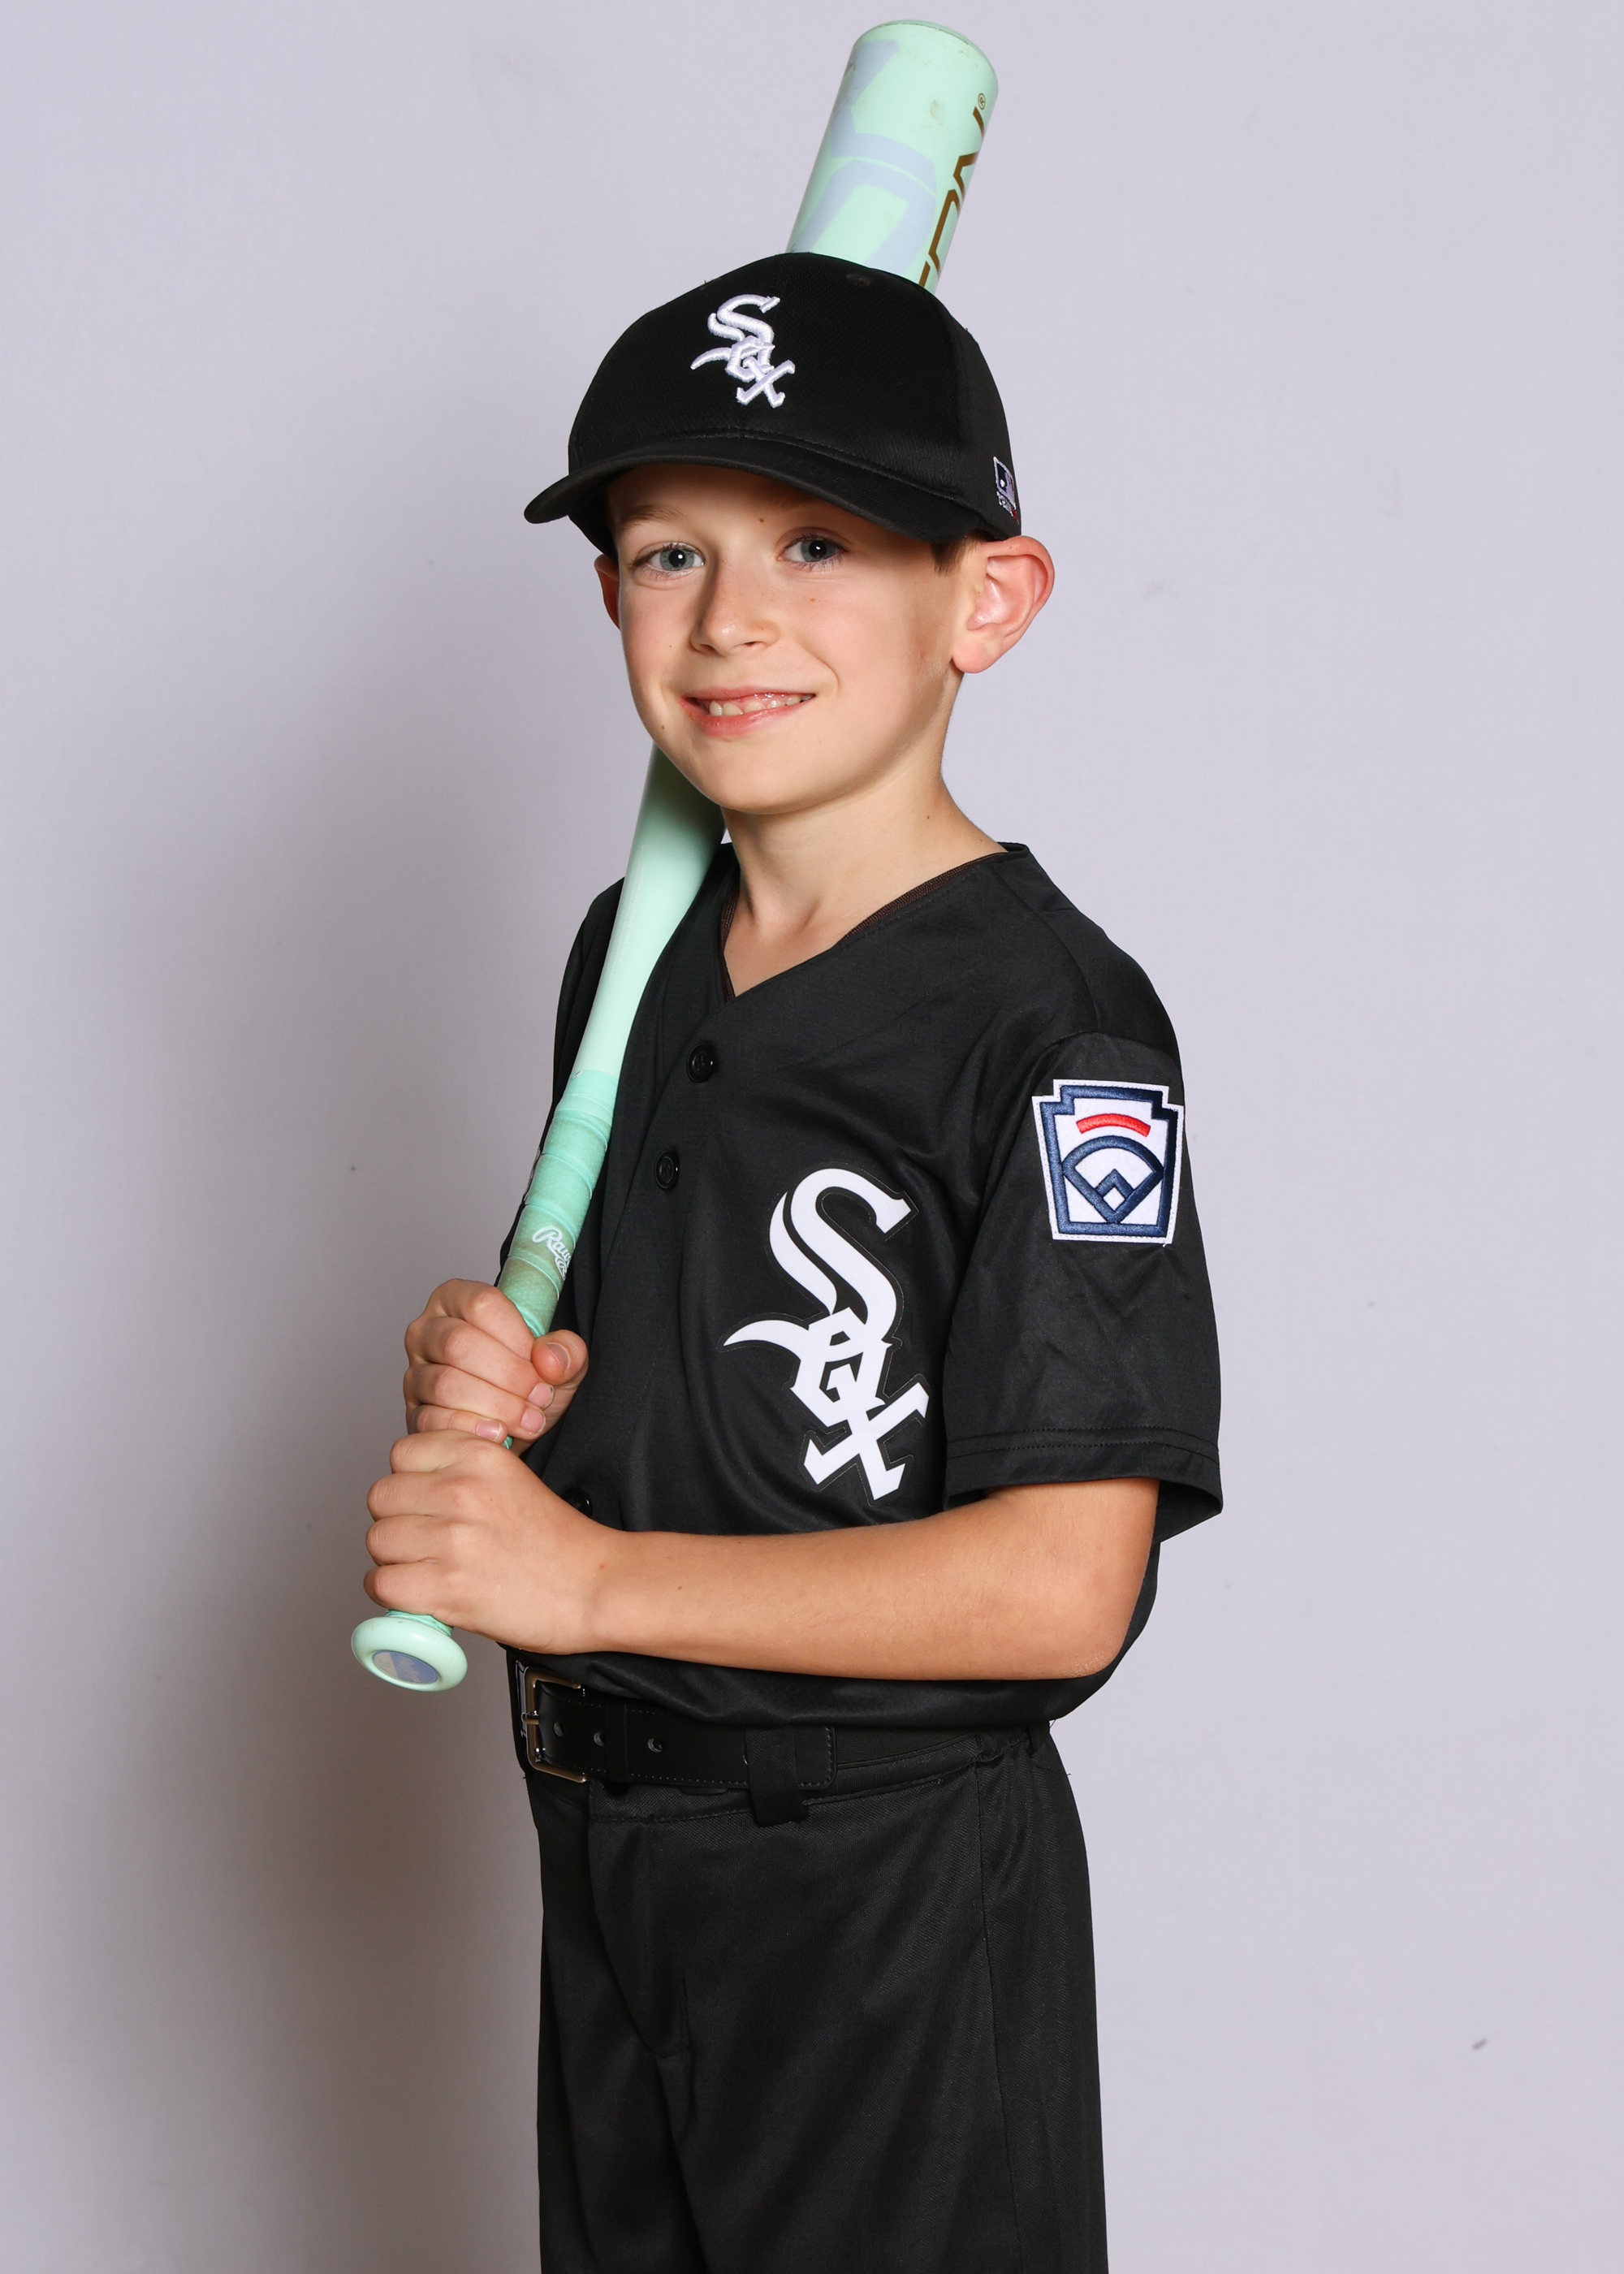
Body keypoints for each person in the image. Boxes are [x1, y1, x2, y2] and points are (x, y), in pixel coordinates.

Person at [364, 253, 1221, 2274]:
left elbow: (1062, 1578)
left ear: (982, 602)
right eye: (669, 550)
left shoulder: (1055, 1028)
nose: (731, 617)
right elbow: (685, 1386)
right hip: (614, 1858)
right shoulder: (631, 949)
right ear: (608, 594)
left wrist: (580, 1576)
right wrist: (511, 1373)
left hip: (881, 1894)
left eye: (818, 543)